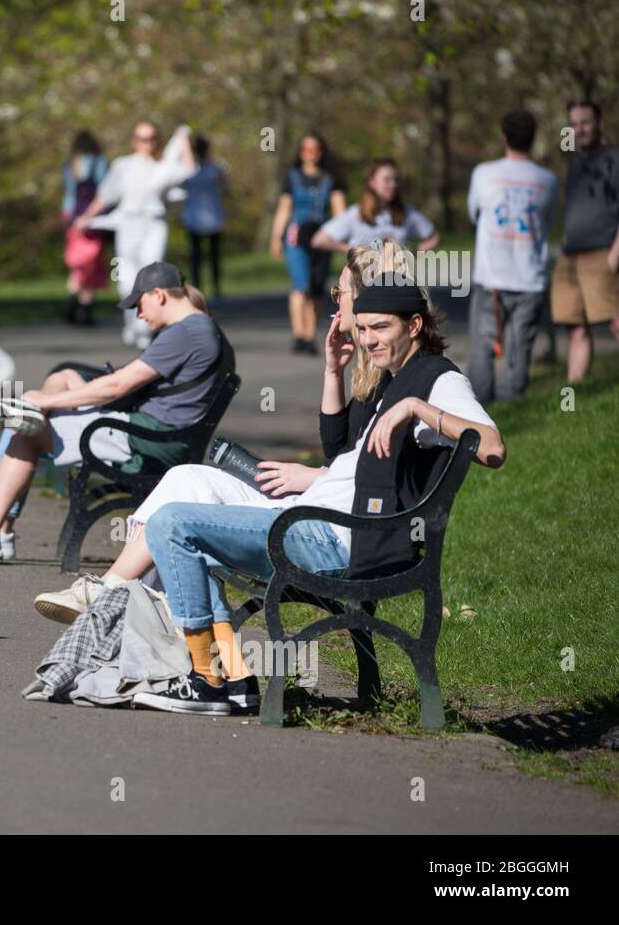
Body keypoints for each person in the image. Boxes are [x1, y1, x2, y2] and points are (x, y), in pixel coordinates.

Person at [133, 249, 504, 715]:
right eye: (363, 328)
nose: (368, 340)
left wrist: (416, 409)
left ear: (413, 326)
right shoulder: (397, 377)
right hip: (310, 523)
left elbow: (491, 447)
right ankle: (228, 677)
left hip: (334, 541)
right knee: (191, 523)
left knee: (171, 523)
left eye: (380, 328)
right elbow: (339, 453)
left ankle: (205, 679)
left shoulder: (437, 380)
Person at [0, 262, 222, 564]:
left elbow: (118, 385)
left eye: (139, 304)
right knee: (57, 383)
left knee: (29, 424)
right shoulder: (195, 329)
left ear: (159, 294)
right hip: (152, 433)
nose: (138, 314)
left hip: (146, 441)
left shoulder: (186, 332)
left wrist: (47, 402)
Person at [72, 122, 197, 349]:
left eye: (150, 139)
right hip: (128, 225)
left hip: (153, 225)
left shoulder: (163, 168)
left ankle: (145, 328)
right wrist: (86, 216)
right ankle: (132, 321)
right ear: (134, 140)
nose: (145, 143)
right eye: (141, 138)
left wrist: (182, 139)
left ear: (157, 141)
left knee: (150, 275)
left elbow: (189, 170)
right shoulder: (122, 165)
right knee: (127, 278)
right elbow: (106, 195)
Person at [467, 110, 559, 402]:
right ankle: (510, 403)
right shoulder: (548, 180)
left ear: (504, 137)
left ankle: (478, 407)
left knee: (482, 345)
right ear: (533, 139)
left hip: (490, 278)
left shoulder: (483, 173)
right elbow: (547, 221)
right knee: (519, 347)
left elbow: (474, 214)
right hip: (530, 277)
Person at [551, 100, 619, 381]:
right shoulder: (576, 164)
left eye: (585, 122)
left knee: (616, 322)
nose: (579, 129)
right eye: (574, 124)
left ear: (599, 123)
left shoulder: (614, 160)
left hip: (603, 252)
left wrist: (615, 254)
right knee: (575, 326)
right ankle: (576, 390)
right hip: (571, 255)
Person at [269, 133, 346, 354]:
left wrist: (342, 239)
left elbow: (339, 211)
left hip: (322, 237)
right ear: (300, 152)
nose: (310, 154)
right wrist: (276, 238)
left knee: (316, 288)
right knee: (300, 285)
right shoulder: (292, 177)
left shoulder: (331, 178)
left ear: (321, 152)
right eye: (305, 149)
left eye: (314, 149)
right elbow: (284, 209)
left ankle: (310, 335)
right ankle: (299, 334)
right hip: (296, 236)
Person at [312, 157, 440, 256]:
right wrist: (354, 252)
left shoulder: (406, 212)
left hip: (396, 282)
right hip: (363, 284)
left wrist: (411, 254)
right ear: (372, 182)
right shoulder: (356, 213)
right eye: (387, 180)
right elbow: (319, 240)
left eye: (395, 180)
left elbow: (434, 237)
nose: (393, 184)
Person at [61, 130, 109, 326]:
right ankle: (83, 308)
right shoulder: (99, 162)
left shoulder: (71, 164)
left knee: (79, 263)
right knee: (93, 264)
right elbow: (105, 192)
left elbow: (69, 194)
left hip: (71, 216)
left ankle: (72, 302)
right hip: (91, 217)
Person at [181, 133, 226, 298]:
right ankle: (209, 289)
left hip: (209, 217)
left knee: (201, 257)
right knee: (204, 256)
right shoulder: (197, 170)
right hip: (197, 217)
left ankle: (210, 288)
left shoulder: (212, 170)